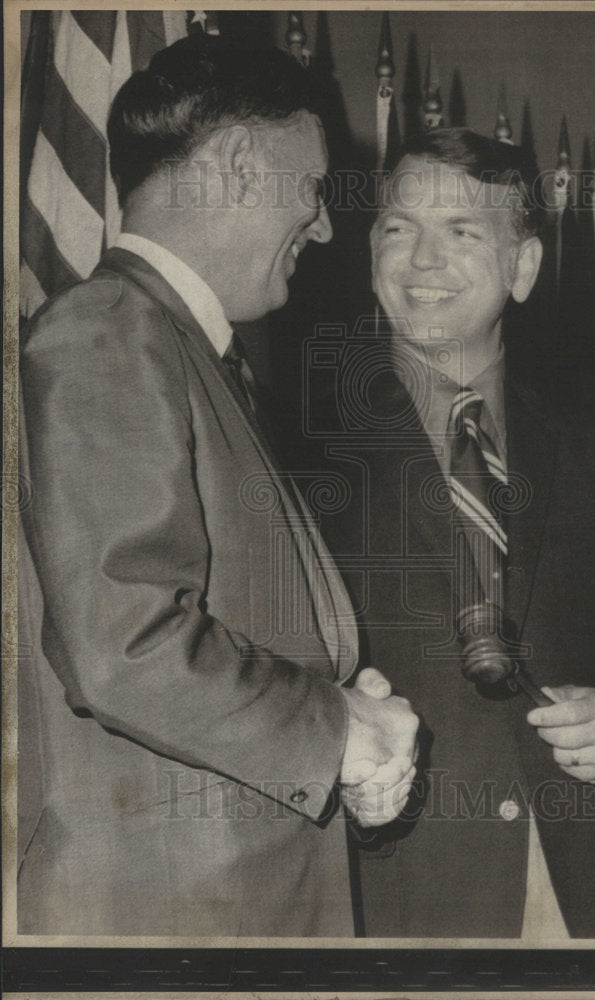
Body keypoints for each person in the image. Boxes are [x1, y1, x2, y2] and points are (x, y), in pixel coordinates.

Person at [17, 35, 418, 938]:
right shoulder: (109, 331)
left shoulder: (192, 353)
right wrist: (336, 730)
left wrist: (345, 732)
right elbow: (128, 644)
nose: (321, 227)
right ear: (240, 166)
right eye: (313, 190)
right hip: (172, 923)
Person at [304, 128, 595, 938]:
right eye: (398, 229)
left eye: (461, 233)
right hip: (400, 904)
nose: (422, 261)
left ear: (523, 268)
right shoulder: (297, 455)